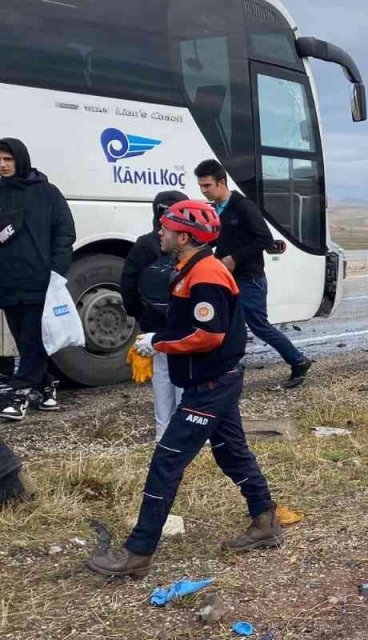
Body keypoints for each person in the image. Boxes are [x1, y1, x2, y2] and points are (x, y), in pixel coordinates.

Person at [86, 200, 281, 577]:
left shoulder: (205, 273)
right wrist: (160, 336)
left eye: (167, 227)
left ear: (186, 236)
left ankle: (137, 553)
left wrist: (159, 343)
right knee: (231, 452)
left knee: (166, 461)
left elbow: (209, 334)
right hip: (214, 379)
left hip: (210, 384)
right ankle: (265, 522)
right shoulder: (191, 267)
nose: (160, 232)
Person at [194, 159, 312, 388]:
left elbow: (265, 239)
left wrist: (234, 258)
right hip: (227, 279)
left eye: (207, 185)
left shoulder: (243, 206)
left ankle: (298, 360)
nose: (203, 190)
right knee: (226, 324)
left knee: (259, 327)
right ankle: (227, 369)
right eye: (201, 186)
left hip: (250, 279)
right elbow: (223, 238)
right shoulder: (217, 210)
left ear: (221, 182)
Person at [0, 138, 76, 421]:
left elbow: (64, 233)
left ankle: (18, 395)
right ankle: (46, 387)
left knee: (33, 339)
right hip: (8, 284)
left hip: (40, 282)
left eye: (8, 159)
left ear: (20, 160)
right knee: (24, 340)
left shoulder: (47, 193)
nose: (3, 165)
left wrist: (56, 272)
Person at [121, 190, 188, 440]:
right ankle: (185, 433)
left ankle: (163, 433)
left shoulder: (144, 243)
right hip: (182, 326)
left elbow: (128, 282)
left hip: (155, 324)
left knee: (162, 376)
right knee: (183, 377)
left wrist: (138, 314)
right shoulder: (190, 245)